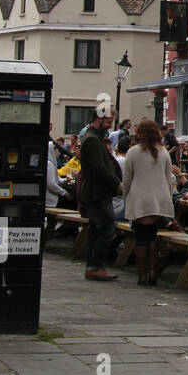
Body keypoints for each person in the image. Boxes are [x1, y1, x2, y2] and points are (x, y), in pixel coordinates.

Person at [123, 119, 177, 287]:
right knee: (152, 237)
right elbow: (169, 179)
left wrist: (127, 198)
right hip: (159, 198)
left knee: (140, 238)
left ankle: (142, 275)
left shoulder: (133, 152)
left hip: (140, 197)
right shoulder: (164, 152)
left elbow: (127, 180)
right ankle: (153, 273)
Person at [78, 109, 123, 281]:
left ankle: (93, 265)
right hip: (97, 192)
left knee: (96, 230)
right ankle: (95, 265)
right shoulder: (93, 140)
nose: (111, 125)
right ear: (99, 119)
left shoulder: (92, 137)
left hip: (95, 192)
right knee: (106, 228)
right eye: (109, 121)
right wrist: (116, 182)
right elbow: (99, 168)